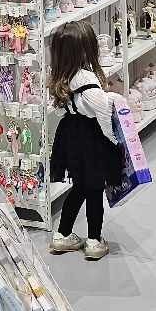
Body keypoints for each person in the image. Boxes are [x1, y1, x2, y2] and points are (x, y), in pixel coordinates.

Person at [46, 19, 123, 260]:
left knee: (79, 186)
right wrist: (112, 138)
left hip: (70, 135)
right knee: (94, 188)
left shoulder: (60, 75)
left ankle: (62, 234)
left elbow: (60, 108)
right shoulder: (87, 78)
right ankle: (94, 240)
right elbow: (102, 110)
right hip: (91, 138)